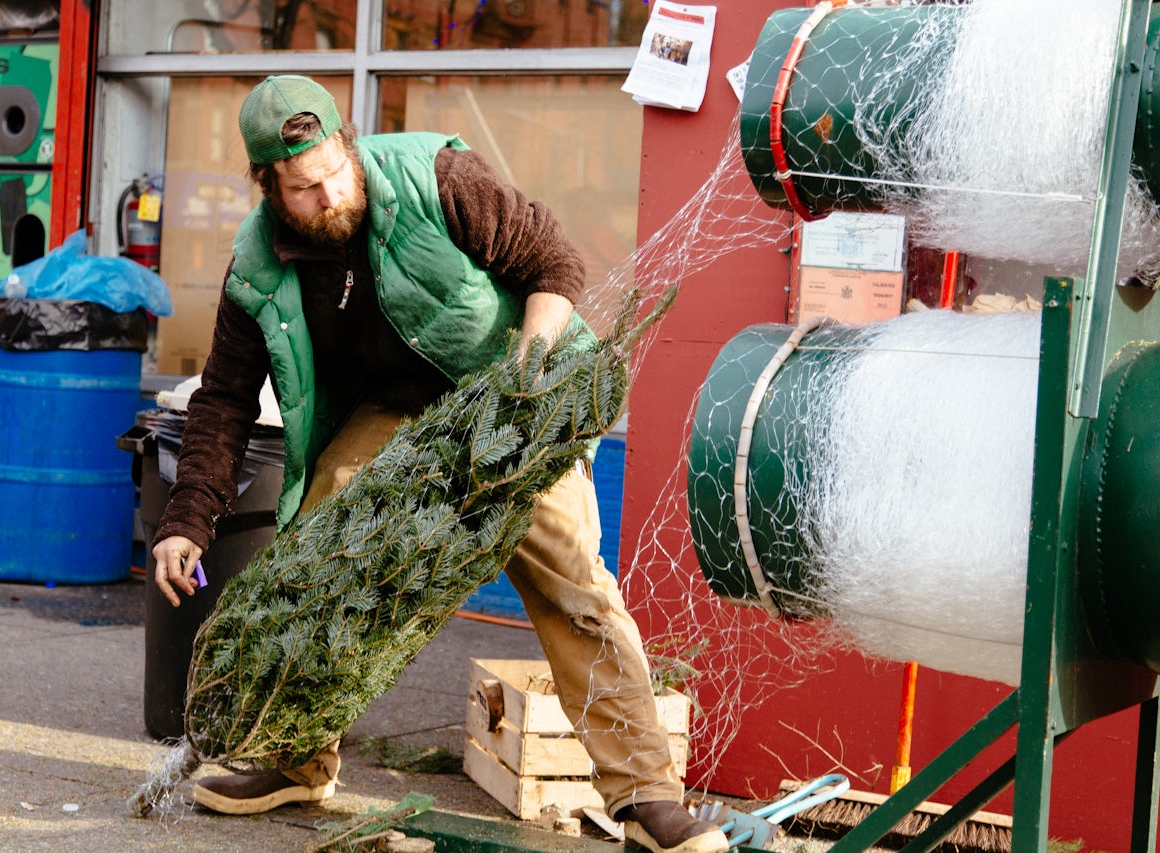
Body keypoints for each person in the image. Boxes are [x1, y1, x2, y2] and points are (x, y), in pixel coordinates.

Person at [150, 75, 727, 853]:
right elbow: (222, 398)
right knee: (322, 544)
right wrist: (184, 521)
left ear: (349, 148)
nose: (328, 196)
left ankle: (648, 800)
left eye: (334, 174)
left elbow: (553, 261)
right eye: (303, 189)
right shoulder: (256, 266)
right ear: (267, 186)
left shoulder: (436, 177)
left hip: (503, 387)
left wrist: (532, 360)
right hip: (396, 408)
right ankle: (299, 756)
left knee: (572, 582)